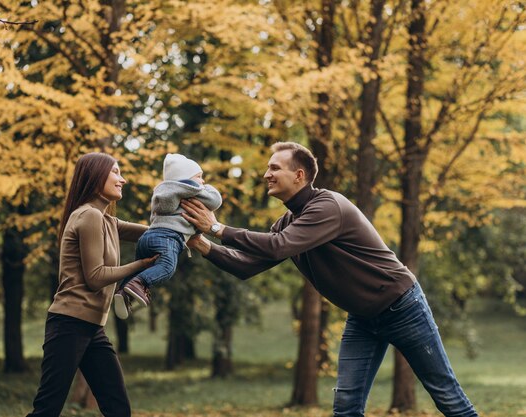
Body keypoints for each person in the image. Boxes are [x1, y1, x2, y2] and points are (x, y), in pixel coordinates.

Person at [181, 142, 478, 417]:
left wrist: (217, 228)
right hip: (363, 318)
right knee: (346, 407)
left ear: (299, 175)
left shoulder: (328, 206)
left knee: (447, 398)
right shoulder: (288, 222)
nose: (266, 174)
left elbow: (278, 246)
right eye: (267, 168)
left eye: (274, 168)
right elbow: (248, 265)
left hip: (402, 307)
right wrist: (204, 246)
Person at [26, 152, 158, 417]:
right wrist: (142, 264)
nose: (123, 179)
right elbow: (95, 277)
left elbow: (149, 232)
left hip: (92, 328)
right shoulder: (89, 216)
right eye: (116, 172)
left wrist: (178, 233)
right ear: (96, 176)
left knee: (118, 409)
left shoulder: (106, 219)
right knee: (46, 410)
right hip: (69, 323)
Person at [114, 153, 222, 319]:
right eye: (199, 177)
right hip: (168, 239)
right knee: (166, 267)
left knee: (140, 267)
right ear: (186, 179)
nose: (202, 181)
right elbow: (215, 201)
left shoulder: (162, 192)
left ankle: (123, 291)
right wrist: (207, 188)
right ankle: (140, 283)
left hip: (147, 237)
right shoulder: (190, 191)